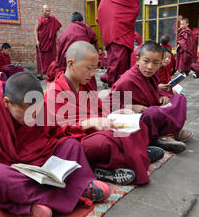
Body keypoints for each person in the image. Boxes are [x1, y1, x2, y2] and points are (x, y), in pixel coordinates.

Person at [0, 71, 109, 217]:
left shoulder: (36, 103)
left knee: (71, 145)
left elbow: (53, 130)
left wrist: (85, 125)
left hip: (40, 157)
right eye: (26, 114)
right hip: (10, 167)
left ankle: (35, 201)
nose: (33, 118)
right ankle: (72, 191)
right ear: (7, 102)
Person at [46, 41, 164, 186]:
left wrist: (116, 112)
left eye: (94, 69)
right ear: (71, 63)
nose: (92, 74)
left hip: (97, 130)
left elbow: (99, 110)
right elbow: (55, 132)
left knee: (137, 124)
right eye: (89, 69)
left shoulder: (84, 84)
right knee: (104, 142)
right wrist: (87, 124)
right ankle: (130, 159)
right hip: (78, 139)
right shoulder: (54, 91)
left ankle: (131, 158)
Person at [107, 41, 192, 154]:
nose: (150, 67)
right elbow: (112, 106)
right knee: (152, 113)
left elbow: (154, 91)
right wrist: (132, 107)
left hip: (152, 107)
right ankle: (163, 135)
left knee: (179, 98)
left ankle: (169, 132)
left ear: (160, 63)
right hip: (141, 118)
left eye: (155, 63)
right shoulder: (127, 80)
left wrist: (161, 96)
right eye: (146, 61)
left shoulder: (151, 76)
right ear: (137, 60)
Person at [98, 0, 140, 87]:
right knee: (121, 68)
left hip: (111, 35)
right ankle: (117, 97)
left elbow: (101, 10)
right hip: (123, 34)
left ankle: (115, 92)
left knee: (114, 64)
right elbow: (135, 10)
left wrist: (108, 29)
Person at [35, 5, 62, 79]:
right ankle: (41, 73)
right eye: (46, 11)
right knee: (41, 58)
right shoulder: (39, 20)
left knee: (51, 57)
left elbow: (57, 29)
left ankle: (51, 72)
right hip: (42, 42)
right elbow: (35, 30)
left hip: (51, 42)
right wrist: (36, 40)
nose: (47, 12)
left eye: (49, 11)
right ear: (42, 11)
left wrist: (57, 38)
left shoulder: (53, 19)